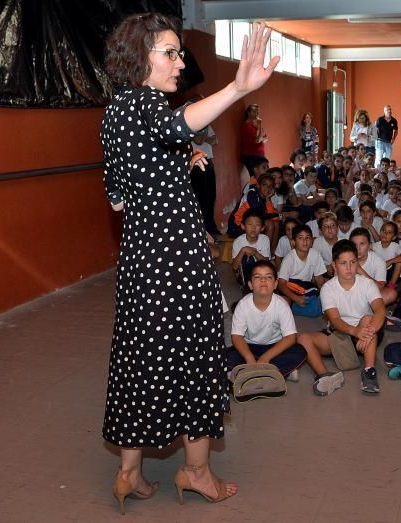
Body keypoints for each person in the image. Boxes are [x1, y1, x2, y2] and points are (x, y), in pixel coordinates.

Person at [102, 15, 279, 512]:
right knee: (196, 356)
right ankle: (196, 470)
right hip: (175, 258)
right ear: (140, 58)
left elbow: (118, 199)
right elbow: (177, 122)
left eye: (179, 52)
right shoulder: (149, 103)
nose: (180, 62)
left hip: (139, 259)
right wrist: (237, 86)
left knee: (140, 356)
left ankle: (128, 472)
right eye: (169, 52)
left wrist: (174, 168)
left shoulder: (113, 112)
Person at [298, 240, 386, 394]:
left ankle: (369, 371)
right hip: (341, 332)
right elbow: (335, 320)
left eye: (352, 262)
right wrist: (355, 332)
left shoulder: (367, 284)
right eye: (343, 263)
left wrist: (367, 331)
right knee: (303, 339)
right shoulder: (328, 288)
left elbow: (380, 310)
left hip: (367, 334)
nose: (349, 267)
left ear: (357, 263)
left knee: (366, 319)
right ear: (334, 265)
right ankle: (325, 376)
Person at [227, 260, 308, 380]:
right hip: (250, 346)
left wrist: (265, 358)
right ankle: (277, 372)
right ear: (250, 284)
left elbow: (290, 337)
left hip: (274, 347)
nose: (263, 280)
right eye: (258, 277)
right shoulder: (243, 305)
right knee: (226, 355)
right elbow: (237, 337)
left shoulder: (282, 305)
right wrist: (249, 358)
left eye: (268, 277)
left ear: (275, 284)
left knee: (300, 351)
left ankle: (248, 372)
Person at [189, 117, 219, 236]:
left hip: (208, 160)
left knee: (211, 196)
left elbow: (215, 141)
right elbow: (199, 140)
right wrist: (207, 138)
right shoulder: (191, 122)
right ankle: (201, 230)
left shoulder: (207, 123)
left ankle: (210, 227)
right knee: (201, 198)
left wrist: (205, 137)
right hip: (196, 163)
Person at [231, 209, 271, 292]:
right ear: (243, 226)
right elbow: (234, 267)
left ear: (262, 228)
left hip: (260, 271)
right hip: (244, 273)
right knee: (247, 259)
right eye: (249, 224)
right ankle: (247, 286)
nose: (253, 227)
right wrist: (243, 250)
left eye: (257, 225)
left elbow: (267, 263)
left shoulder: (265, 239)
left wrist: (255, 253)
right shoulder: (238, 241)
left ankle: (258, 285)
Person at [241, 103, 268, 176]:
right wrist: (259, 125)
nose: (256, 114)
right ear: (248, 112)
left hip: (259, 155)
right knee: (256, 177)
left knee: (263, 176)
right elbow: (258, 140)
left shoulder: (255, 124)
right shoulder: (247, 125)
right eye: (254, 112)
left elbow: (265, 139)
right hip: (251, 156)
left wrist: (262, 138)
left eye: (257, 112)